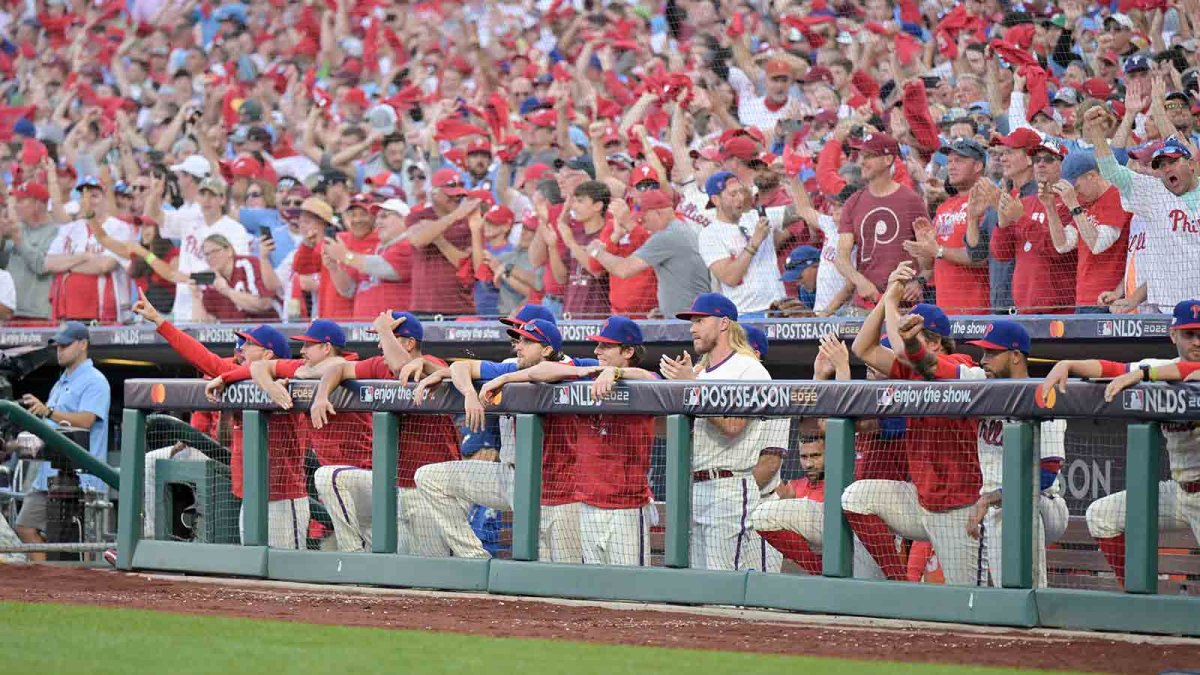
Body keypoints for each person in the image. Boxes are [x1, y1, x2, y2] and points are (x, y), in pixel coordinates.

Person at [129, 292, 307, 549]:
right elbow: (202, 357)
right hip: (251, 496)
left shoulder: (288, 379)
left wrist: (229, 377)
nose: (241, 349)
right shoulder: (236, 375)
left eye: (249, 344)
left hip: (284, 496)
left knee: (291, 577)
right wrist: (159, 320)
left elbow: (294, 369)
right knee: (254, 571)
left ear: (268, 354)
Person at [846, 262, 986, 585]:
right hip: (920, 501)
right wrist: (886, 298)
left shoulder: (960, 365)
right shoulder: (911, 367)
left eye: (914, 333)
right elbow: (862, 348)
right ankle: (897, 587)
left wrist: (894, 303)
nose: (905, 338)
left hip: (958, 507)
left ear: (934, 343)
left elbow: (903, 350)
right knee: (856, 496)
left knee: (969, 605)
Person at [478, 316, 659, 566]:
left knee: (632, 591)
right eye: (598, 345)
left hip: (627, 506)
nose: (597, 351)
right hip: (587, 504)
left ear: (628, 351)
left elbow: (651, 378)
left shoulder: (642, 383)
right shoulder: (587, 375)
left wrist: (616, 372)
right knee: (589, 589)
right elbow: (542, 370)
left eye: (606, 346)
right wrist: (505, 378)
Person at [1044, 299, 1200, 588]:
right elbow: (1108, 366)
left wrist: (1143, 374)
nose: (1197, 341)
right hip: (1180, 493)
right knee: (1101, 515)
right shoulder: (1159, 367)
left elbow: (1193, 374)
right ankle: (1139, 597)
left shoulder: (1155, 372)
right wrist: (1068, 363)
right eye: (1189, 334)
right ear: (1173, 335)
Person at [411, 318, 581, 561]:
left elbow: (555, 371)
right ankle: (476, 559)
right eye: (518, 340)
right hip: (511, 477)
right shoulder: (513, 368)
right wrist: (469, 392)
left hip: (560, 490)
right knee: (429, 477)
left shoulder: (575, 367)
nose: (518, 346)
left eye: (526, 341)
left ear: (547, 349)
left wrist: (503, 379)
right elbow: (461, 367)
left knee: (564, 578)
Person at [307, 312, 459, 554]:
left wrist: (385, 330)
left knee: (431, 574)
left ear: (408, 343)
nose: (379, 344)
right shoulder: (379, 365)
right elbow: (339, 369)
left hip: (433, 490)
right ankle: (353, 555)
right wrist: (322, 395)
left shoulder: (433, 363)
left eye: (385, 337)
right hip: (394, 488)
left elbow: (404, 368)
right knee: (329, 477)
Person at [662, 293, 788, 571]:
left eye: (699, 320)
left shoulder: (750, 369)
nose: (692, 328)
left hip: (729, 487)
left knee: (723, 582)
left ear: (723, 323)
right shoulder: (700, 372)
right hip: (693, 486)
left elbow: (734, 425)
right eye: (691, 321)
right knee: (696, 586)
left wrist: (691, 388)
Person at [963, 321, 1068, 588]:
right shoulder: (985, 389)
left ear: (1015, 355)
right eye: (982, 353)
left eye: (991, 353)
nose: (983, 361)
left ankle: (1033, 597)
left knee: (1009, 510)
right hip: (993, 501)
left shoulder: (1044, 395)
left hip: (1044, 502)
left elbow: (1045, 475)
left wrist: (990, 498)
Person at [1085, 102, 1200, 311]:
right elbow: (1112, 172)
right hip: (1171, 309)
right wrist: (1096, 132)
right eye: (1160, 165)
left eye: (1172, 162)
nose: (1166, 169)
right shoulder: (1154, 193)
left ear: (1192, 164)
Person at [15, 322, 111, 561]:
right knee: (25, 527)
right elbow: (50, 424)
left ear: (83, 345)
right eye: (57, 346)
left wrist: (48, 412)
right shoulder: (61, 382)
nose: (60, 350)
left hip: (82, 479)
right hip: (47, 475)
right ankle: (47, 580)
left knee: (83, 543)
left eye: (65, 345)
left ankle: (79, 591)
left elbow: (86, 420)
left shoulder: (95, 380)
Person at [836, 133, 928, 312]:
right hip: (865, 304)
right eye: (862, 156)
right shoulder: (853, 202)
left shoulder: (911, 200)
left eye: (869, 156)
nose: (862, 161)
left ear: (888, 159)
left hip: (903, 305)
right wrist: (860, 282)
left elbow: (928, 258)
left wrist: (919, 282)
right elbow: (841, 258)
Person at [586, 188, 710, 318]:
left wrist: (596, 252)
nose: (642, 225)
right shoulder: (678, 229)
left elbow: (624, 269)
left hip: (689, 320)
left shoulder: (667, 235)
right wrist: (665, 310)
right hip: (687, 316)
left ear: (658, 213)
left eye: (644, 219)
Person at [149, 165, 252, 323]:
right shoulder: (188, 220)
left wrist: (191, 277)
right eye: (202, 194)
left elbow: (234, 269)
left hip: (215, 306)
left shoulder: (235, 229)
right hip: (184, 304)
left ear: (222, 199)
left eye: (212, 195)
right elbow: (155, 216)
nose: (207, 200)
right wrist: (155, 194)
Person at [905, 139, 994, 315]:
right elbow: (930, 265)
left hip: (978, 310)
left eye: (959, 161)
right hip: (945, 309)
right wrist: (924, 246)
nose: (951, 166)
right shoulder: (944, 206)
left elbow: (982, 257)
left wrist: (938, 250)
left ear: (977, 166)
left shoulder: (988, 203)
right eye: (950, 161)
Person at [697, 173, 787, 318]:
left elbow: (800, 212)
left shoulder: (756, 216)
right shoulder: (709, 235)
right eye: (733, 194)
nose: (740, 198)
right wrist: (754, 242)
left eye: (741, 191)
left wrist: (795, 179)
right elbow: (730, 277)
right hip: (747, 314)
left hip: (780, 309)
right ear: (715, 200)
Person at [45, 177, 134, 322]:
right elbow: (49, 263)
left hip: (107, 313)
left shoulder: (119, 228)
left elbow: (104, 265)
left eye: (94, 195)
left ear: (106, 198)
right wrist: (84, 256)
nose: (88, 201)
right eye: (84, 195)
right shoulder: (70, 228)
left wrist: (66, 267)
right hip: (69, 311)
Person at [404, 169, 481, 316]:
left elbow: (467, 266)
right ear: (434, 193)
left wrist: (439, 240)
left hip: (459, 307)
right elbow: (418, 239)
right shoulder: (417, 216)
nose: (456, 198)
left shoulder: (469, 222)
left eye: (459, 194)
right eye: (450, 195)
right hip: (423, 307)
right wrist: (455, 216)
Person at [0, 181, 57, 322]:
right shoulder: (17, 227)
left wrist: (19, 240)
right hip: (9, 312)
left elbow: (41, 266)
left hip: (39, 315)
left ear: (37, 205)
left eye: (21, 201)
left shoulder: (56, 233)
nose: (16, 206)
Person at [195, 233, 278, 322]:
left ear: (229, 251)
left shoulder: (248, 264)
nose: (211, 257)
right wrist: (195, 296)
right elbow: (206, 323)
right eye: (207, 254)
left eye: (215, 251)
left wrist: (226, 290)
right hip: (233, 333)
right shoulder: (212, 280)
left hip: (264, 328)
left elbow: (264, 304)